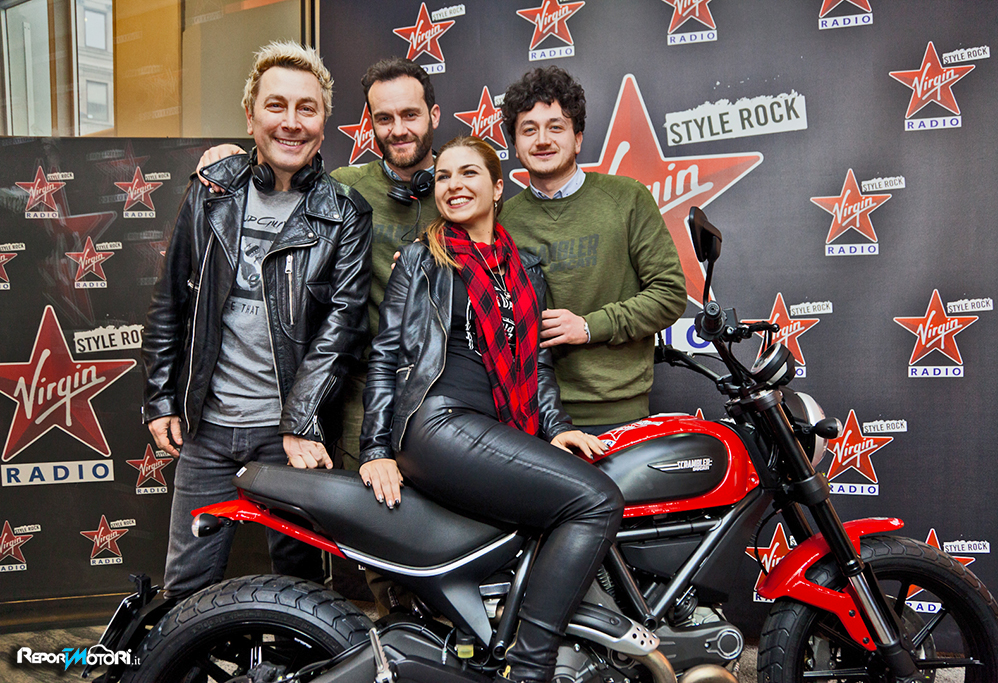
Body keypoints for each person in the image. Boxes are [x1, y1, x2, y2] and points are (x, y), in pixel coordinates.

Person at [359, 135, 624, 683]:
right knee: (597, 500)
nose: (453, 185)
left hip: (497, 427)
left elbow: (537, 364)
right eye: (444, 176)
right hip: (437, 422)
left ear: (498, 188)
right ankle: (529, 669)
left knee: (581, 493)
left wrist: (557, 427)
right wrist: (375, 447)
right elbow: (386, 356)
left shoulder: (525, 268)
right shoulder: (422, 259)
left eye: (469, 174)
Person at [142, 41, 372, 600]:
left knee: (301, 593)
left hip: (289, 435)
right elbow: (170, 300)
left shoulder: (345, 212)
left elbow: (340, 330)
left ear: (323, 123)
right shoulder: (211, 190)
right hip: (207, 431)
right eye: (276, 106)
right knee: (185, 589)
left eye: (306, 108)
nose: (291, 122)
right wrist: (160, 398)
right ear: (250, 117)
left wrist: (298, 423)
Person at [194, 56, 440, 470]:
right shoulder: (343, 190)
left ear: (434, 115)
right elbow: (281, 165)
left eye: (410, 115)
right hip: (364, 384)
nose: (398, 129)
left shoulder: (461, 185)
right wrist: (228, 159)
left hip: (443, 382)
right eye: (384, 118)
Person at [499, 66, 689, 435]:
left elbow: (669, 295)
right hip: (532, 418)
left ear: (578, 138)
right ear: (515, 145)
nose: (542, 140)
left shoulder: (627, 198)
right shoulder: (501, 221)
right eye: (529, 129)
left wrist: (588, 327)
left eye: (556, 127)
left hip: (619, 413)